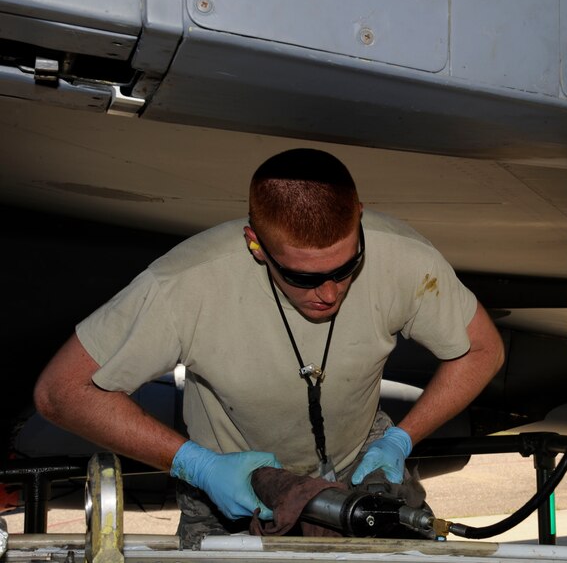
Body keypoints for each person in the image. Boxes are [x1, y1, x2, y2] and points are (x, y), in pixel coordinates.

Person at [33, 148, 504, 546]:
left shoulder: (404, 257)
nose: (329, 292)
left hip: (362, 465)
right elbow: (61, 392)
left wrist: (402, 438)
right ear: (255, 245)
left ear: (359, 219)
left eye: (346, 268)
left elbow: (482, 351)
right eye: (303, 277)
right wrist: (196, 466)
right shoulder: (182, 284)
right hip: (229, 489)